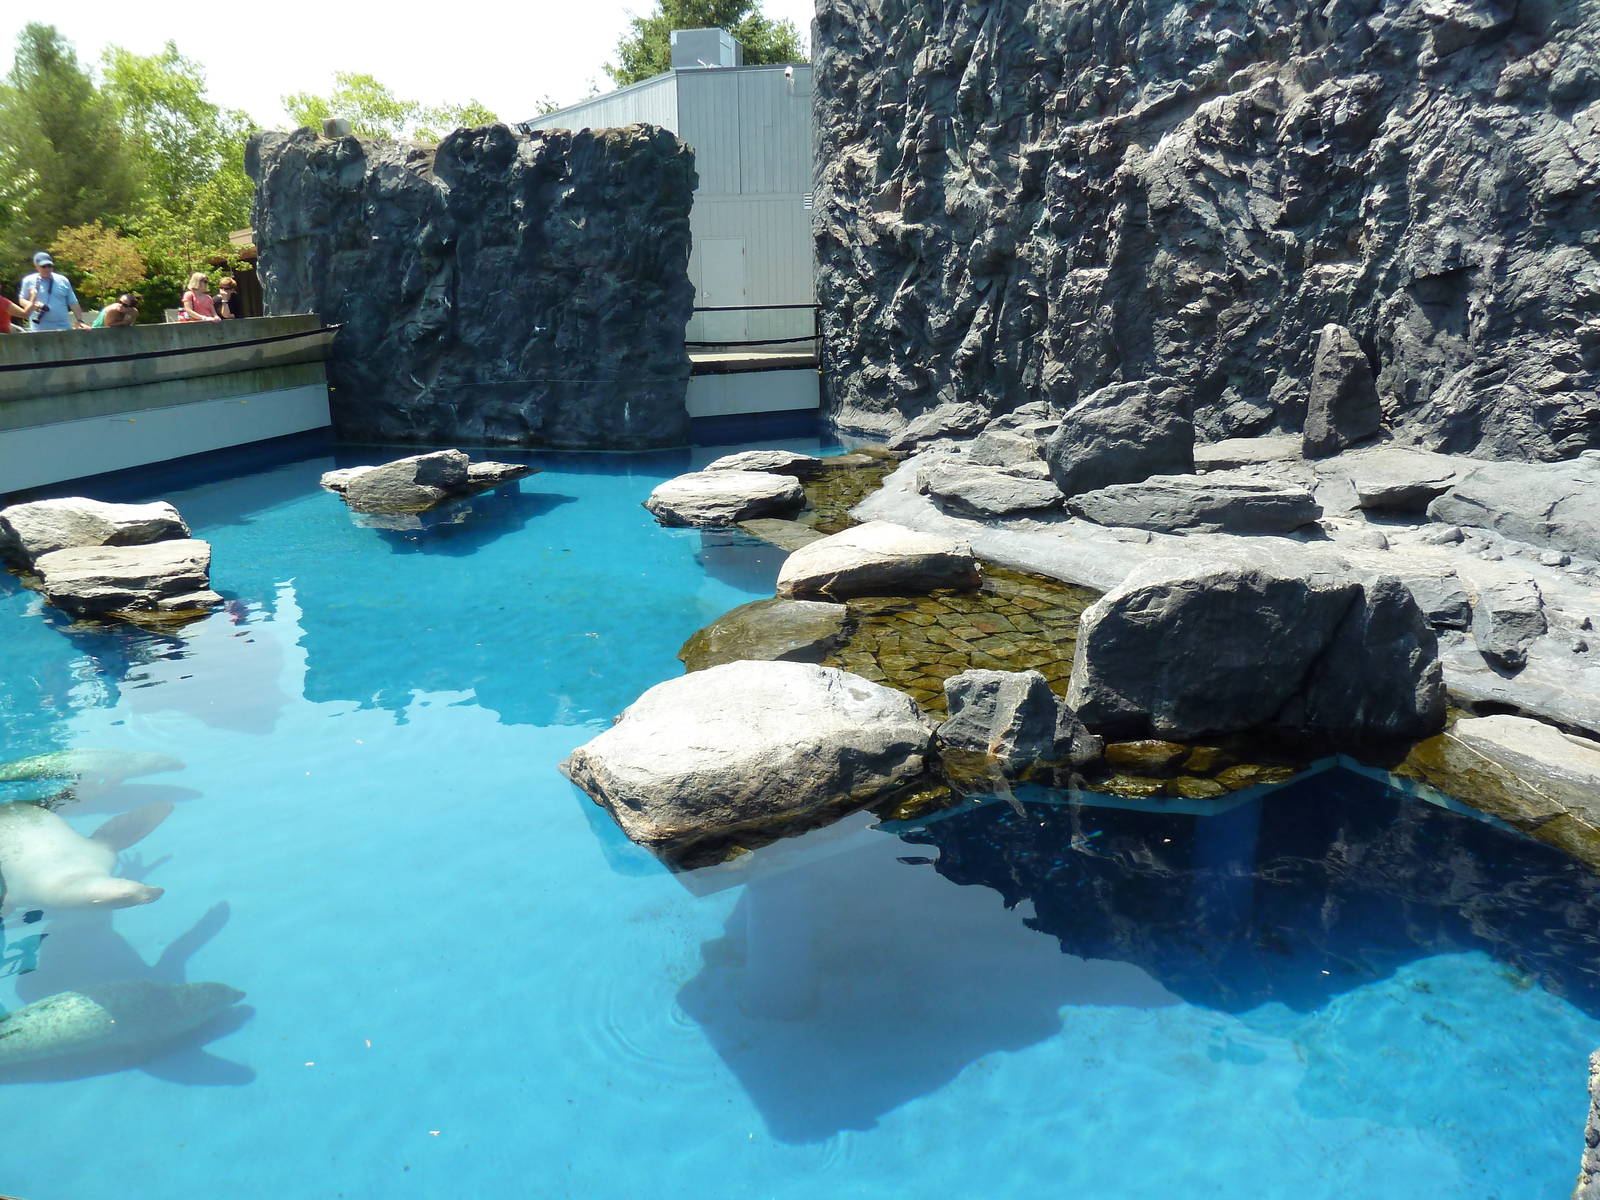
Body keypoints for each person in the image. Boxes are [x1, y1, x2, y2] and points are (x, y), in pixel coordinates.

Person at [18, 251, 88, 331]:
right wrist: (33, 305)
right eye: (43, 266)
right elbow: (21, 300)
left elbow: (73, 303)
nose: (47, 269)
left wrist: (80, 321)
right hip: (38, 330)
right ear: (36, 267)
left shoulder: (63, 280)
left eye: (49, 266)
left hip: (64, 328)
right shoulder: (28, 280)